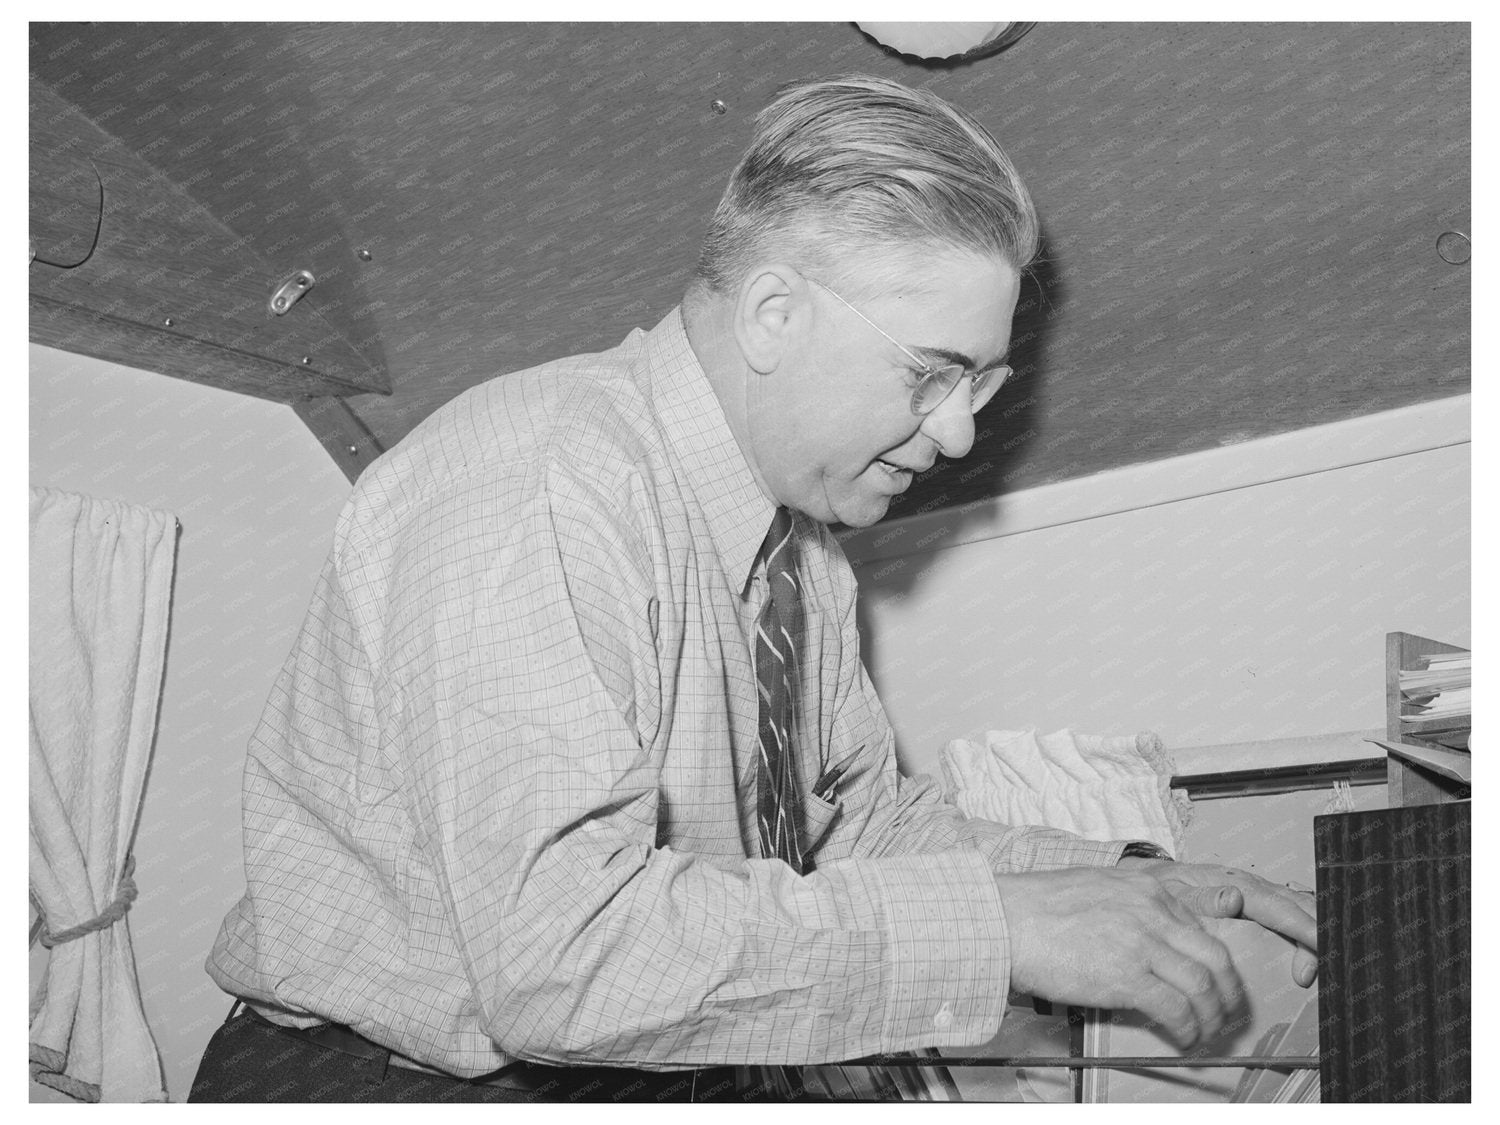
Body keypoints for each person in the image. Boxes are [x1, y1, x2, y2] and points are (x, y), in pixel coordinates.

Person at [190, 74, 1317, 1102]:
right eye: (933, 375)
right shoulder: (538, 477)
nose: (961, 432)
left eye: (981, 384)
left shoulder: (800, 552)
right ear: (774, 315)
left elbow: (858, 828)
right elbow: (559, 959)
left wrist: (1128, 882)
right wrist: (1002, 928)